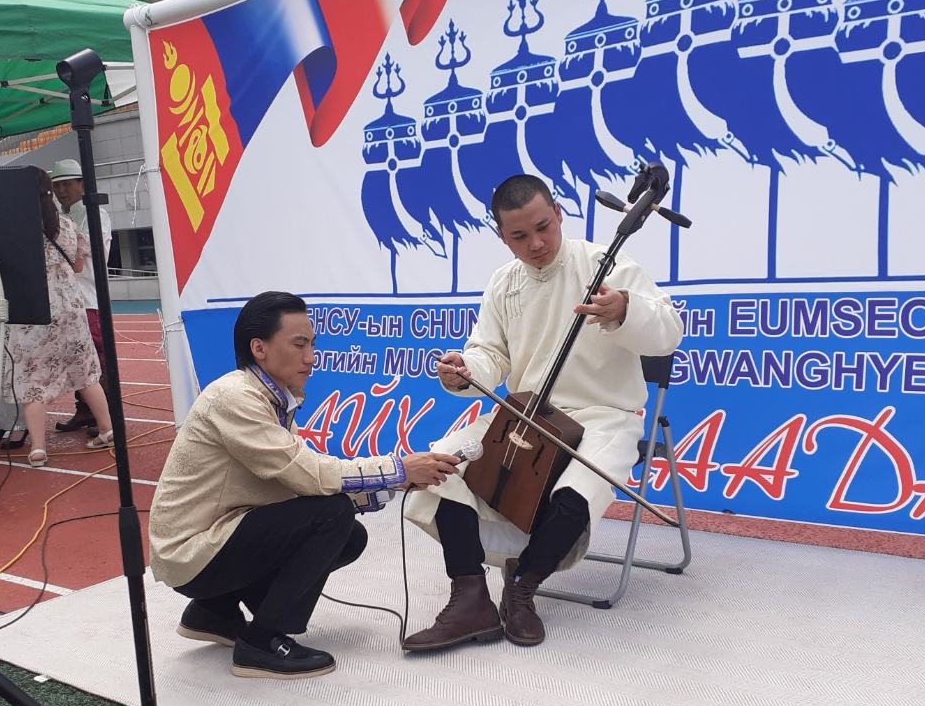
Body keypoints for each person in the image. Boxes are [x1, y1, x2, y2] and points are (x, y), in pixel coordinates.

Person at [403, 173, 684, 650]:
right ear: (501, 236)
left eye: (542, 227)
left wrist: (624, 310)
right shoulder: (504, 283)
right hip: (527, 414)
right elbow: (489, 355)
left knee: (580, 486)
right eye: (519, 236)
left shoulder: (605, 263)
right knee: (442, 465)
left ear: (558, 213)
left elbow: (668, 331)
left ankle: (522, 586)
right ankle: (469, 595)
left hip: (604, 413)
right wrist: (465, 371)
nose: (535, 243)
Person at [147, 290, 461, 679]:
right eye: (299, 344)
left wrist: (397, 482)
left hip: (214, 539)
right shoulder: (235, 398)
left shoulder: (271, 398)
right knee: (332, 515)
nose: (311, 357)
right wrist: (397, 468)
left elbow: (300, 484)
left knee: (349, 535)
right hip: (191, 554)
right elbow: (307, 474)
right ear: (259, 348)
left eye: (312, 344)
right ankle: (262, 642)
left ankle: (215, 611)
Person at [4, 168, 113, 467]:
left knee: (32, 379)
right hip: (70, 307)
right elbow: (78, 266)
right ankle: (107, 429)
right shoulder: (66, 224)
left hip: (34, 309)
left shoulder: (16, 227)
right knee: (85, 371)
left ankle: (38, 448)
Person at [49, 158, 111, 436]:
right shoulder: (59, 217)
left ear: (82, 185)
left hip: (88, 296)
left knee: (98, 355)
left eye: (67, 184)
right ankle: (85, 410)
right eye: (57, 185)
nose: (62, 190)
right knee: (77, 356)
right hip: (67, 298)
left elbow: (86, 253)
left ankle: (107, 414)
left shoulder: (95, 214)